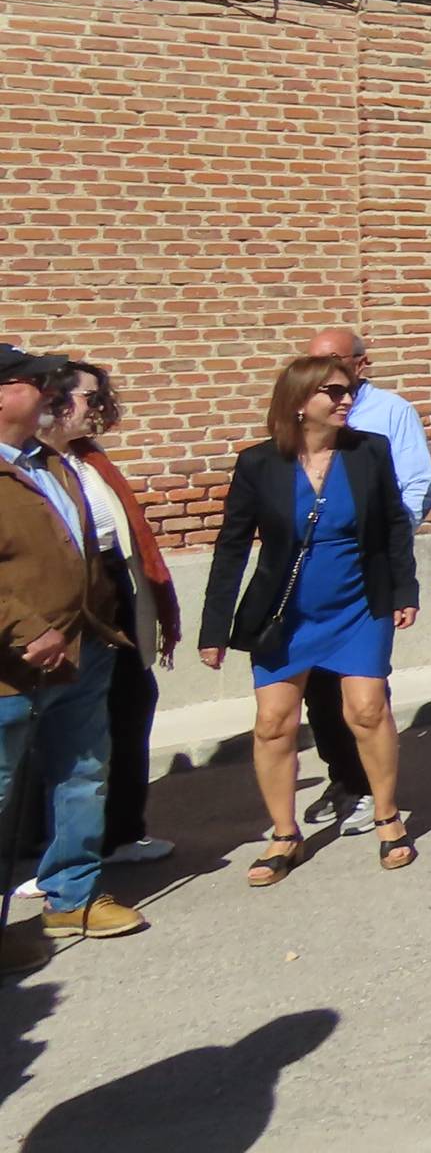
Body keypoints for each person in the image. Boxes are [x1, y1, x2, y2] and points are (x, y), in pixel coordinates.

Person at [199, 355, 420, 881]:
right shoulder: (258, 464)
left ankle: (387, 818)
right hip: (286, 614)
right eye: (334, 393)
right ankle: (284, 835)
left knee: (367, 709)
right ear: (300, 404)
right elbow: (231, 549)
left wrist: (405, 589)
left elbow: (393, 525)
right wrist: (214, 628)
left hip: (358, 604)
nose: (347, 400)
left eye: (349, 392)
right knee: (274, 723)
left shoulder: (369, 451)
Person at [0, 345, 144, 955]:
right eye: (39, 384)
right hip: (12, 668)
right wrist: (26, 630)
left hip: (82, 653)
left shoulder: (49, 463)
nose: (54, 395)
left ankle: (73, 898)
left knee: (82, 774)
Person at [41, 362, 180, 867]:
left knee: (131, 702)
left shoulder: (89, 459)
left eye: (101, 398)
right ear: (54, 400)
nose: (97, 409)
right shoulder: (29, 465)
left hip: (115, 590)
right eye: (88, 398)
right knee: (59, 726)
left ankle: (121, 831)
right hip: (61, 601)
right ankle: (50, 849)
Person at [299, 326, 431, 837]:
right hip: (313, 573)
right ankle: (344, 778)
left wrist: (384, 543)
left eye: (333, 360)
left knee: (364, 687)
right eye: (312, 362)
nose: (322, 372)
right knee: (316, 684)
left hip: (365, 568)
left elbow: (417, 483)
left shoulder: (390, 413)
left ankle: (375, 795)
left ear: (362, 363)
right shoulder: (299, 412)